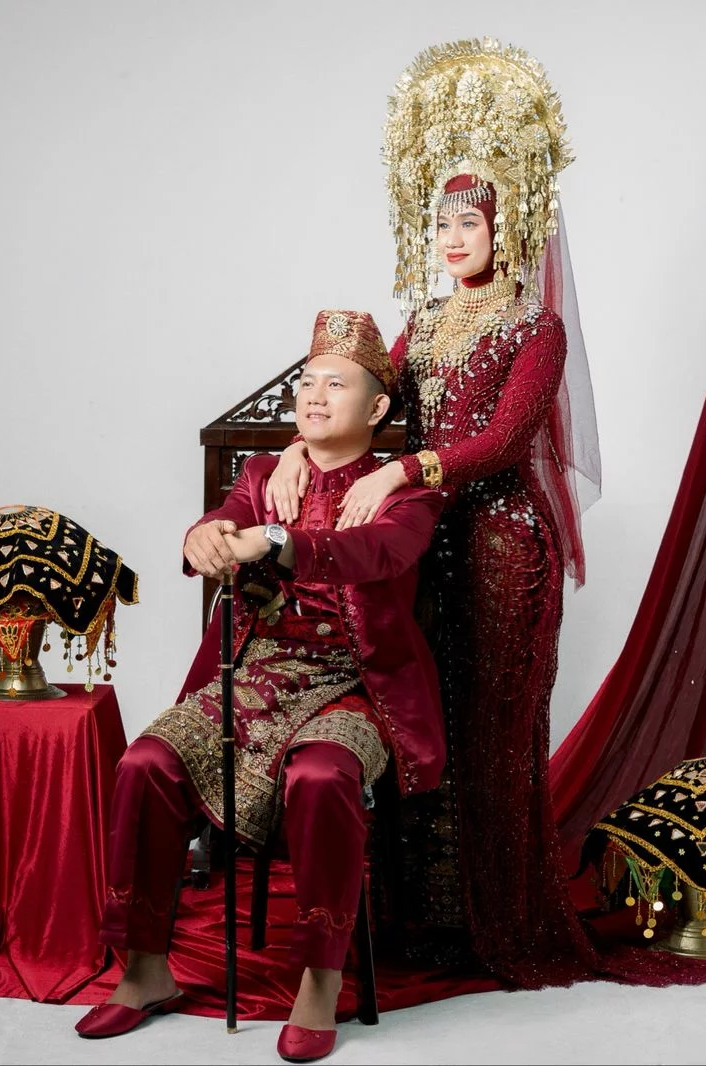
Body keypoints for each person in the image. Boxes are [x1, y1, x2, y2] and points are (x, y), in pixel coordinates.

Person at [264, 41, 686, 990]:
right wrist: (295, 449)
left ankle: (504, 917)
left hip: (502, 548)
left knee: (494, 732)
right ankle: (428, 916)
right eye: (443, 220)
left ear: (509, 223)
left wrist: (407, 468)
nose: (453, 237)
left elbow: (500, 442)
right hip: (423, 545)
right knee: (425, 721)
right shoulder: (422, 322)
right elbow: (357, 403)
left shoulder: (536, 327)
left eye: (471, 220)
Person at [75, 309, 446, 1063]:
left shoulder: (408, 496)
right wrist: (203, 536)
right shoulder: (263, 474)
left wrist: (279, 540)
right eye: (307, 383)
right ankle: (143, 970)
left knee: (321, 776)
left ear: (377, 407)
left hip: (354, 685)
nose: (314, 396)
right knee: (146, 763)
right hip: (255, 673)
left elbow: (377, 554)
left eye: (335, 385)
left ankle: (320, 979)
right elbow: (222, 522)